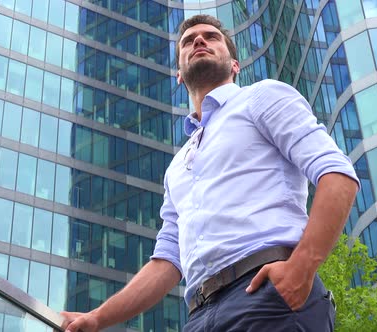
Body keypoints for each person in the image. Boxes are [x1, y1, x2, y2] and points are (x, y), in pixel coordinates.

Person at [61, 14, 359, 332]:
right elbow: (167, 259)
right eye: (188, 41)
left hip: (267, 297)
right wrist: (98, 317)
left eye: (211, 37)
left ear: (234, 65)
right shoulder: (178, 165)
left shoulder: (261, 97)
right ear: (178, 74)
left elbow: (337, 174)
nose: (199, 41)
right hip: (199, 316)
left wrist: (302, 268)